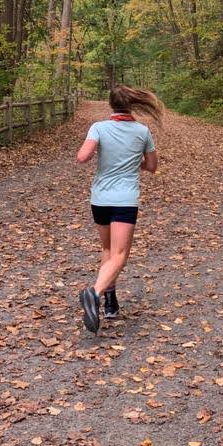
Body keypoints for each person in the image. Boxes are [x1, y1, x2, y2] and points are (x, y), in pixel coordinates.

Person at [75, 85, 163, 333]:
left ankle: (110, 303)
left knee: (107, 249)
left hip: (100, 198)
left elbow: (82, 157)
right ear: (132, 105)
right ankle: (94, 293)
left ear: (111, 105)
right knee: (120, 255)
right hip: (125, 199)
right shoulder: (142, 132)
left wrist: (100, 151)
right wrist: (135, 161)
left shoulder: (99, 128)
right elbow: (152, 166)